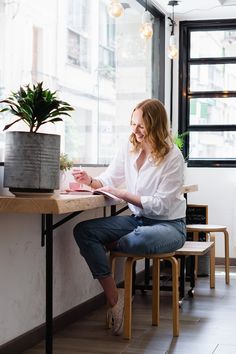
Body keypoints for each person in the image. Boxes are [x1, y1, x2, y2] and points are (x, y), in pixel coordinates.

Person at [73, 98, 186, 335]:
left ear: (156, 126)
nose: (135, 131)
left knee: (140, 240)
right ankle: (115, 298)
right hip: (138, 221)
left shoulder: (173, 157)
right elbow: (110, 178)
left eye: (141, 126)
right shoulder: (129, 147)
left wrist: (124, 194)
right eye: (133, 124)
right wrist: (90, 181)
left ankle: (115, 244)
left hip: (169, 225)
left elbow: (162, 206)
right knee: (84, 231)